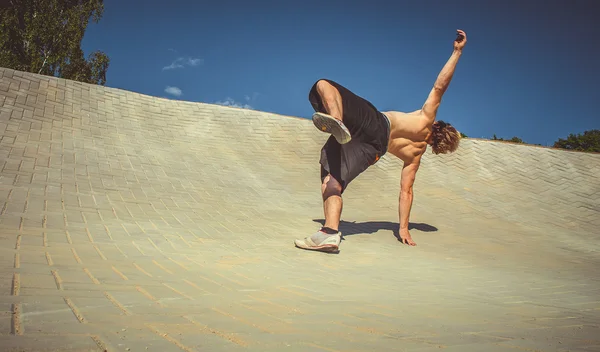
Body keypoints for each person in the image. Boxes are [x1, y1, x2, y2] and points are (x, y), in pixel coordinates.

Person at [294, 29, 467, 253]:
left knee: (324, 84)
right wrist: (403, 228)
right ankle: (329, 233)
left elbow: (439, 87)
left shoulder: (426, 119)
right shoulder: (416, 155)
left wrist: (456, 52)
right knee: (333, 182)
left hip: (375, 124)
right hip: (374, 149)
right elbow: (406, 191)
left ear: (438, 126)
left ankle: (338, 120)